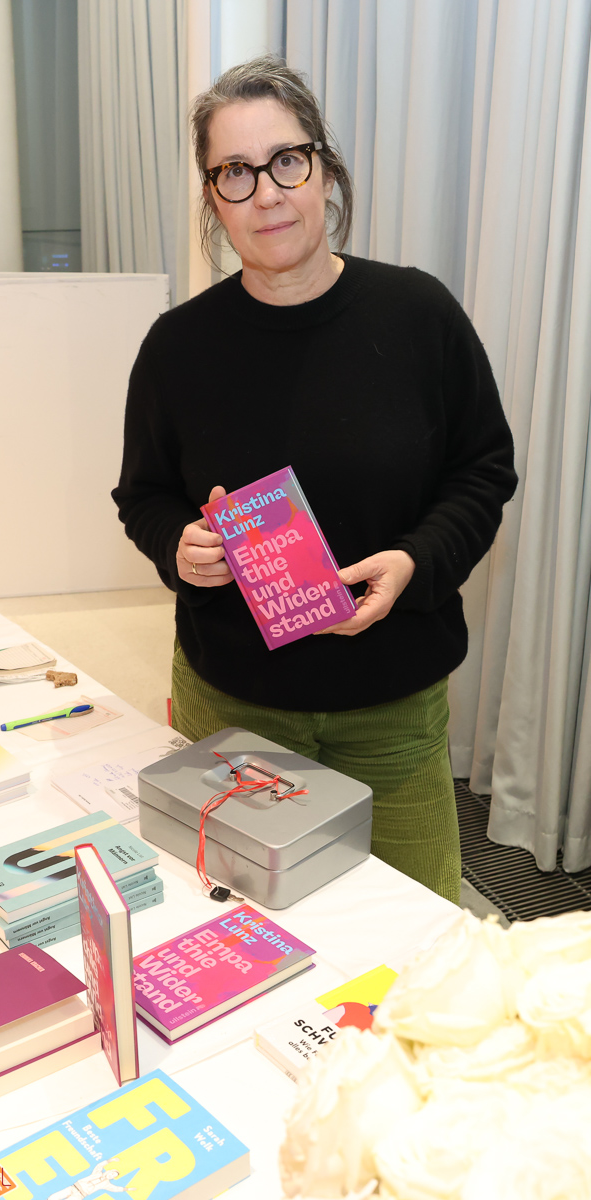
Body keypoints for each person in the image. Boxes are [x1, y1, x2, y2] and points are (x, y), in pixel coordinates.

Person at [112, 57, 517, 905]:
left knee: (415, 927)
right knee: (245, 935)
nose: (266, 193)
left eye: (286, 161)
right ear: (213, 199)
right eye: (235, 172)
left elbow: (483, 470)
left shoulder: (419, 316)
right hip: (234, 704)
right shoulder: (178, 347)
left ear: (325, 170)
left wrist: (417, 562)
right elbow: (143, 495)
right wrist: (180, 546)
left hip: (394, 703)